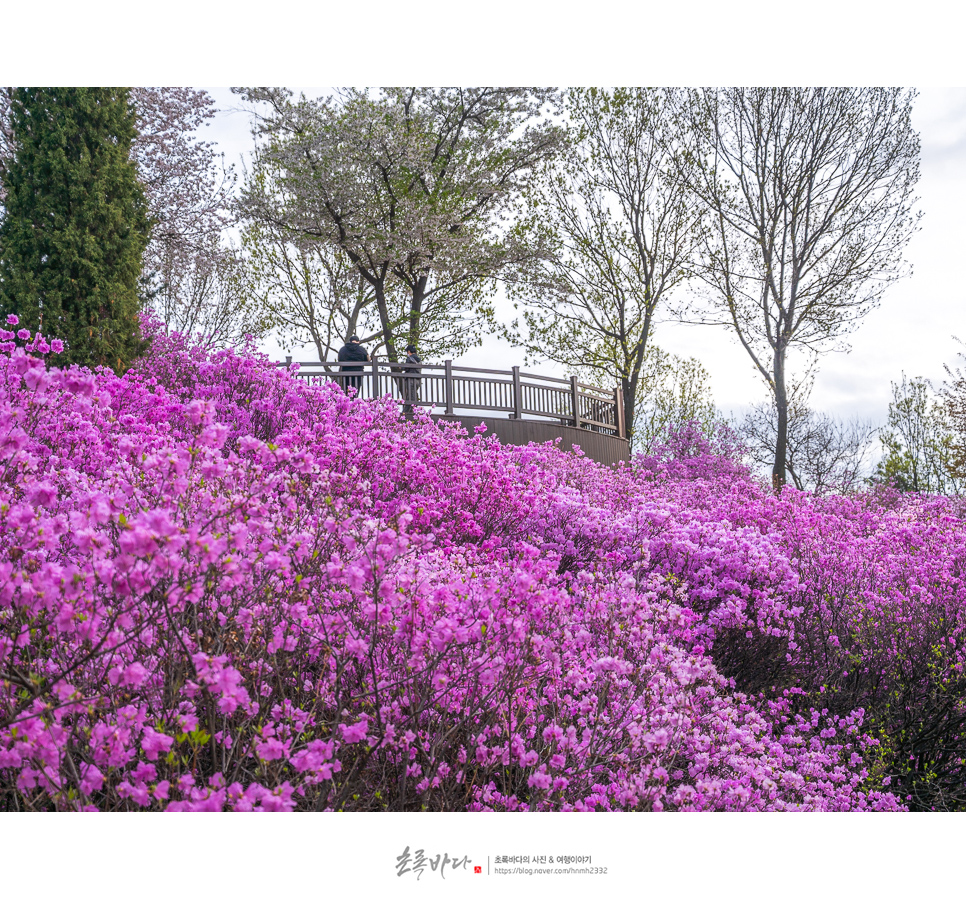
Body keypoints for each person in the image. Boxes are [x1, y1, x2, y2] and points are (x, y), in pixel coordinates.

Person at [401, 343, 422, 411]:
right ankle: (410, 410)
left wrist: (401, 367)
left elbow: (405, 368)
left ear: (409, 351)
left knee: (411, 397)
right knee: (412, 395)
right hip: (417, 380)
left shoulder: (410, 359)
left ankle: (409, 411)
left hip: (411, 380)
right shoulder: (419, 360)